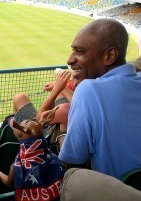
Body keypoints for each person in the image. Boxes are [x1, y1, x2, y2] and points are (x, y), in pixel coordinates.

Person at [59, 18, 141, 179]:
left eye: (80, 51)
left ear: (110, 56)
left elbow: (72, 159)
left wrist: (60, 138)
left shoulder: (88, 90)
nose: (70, 59)